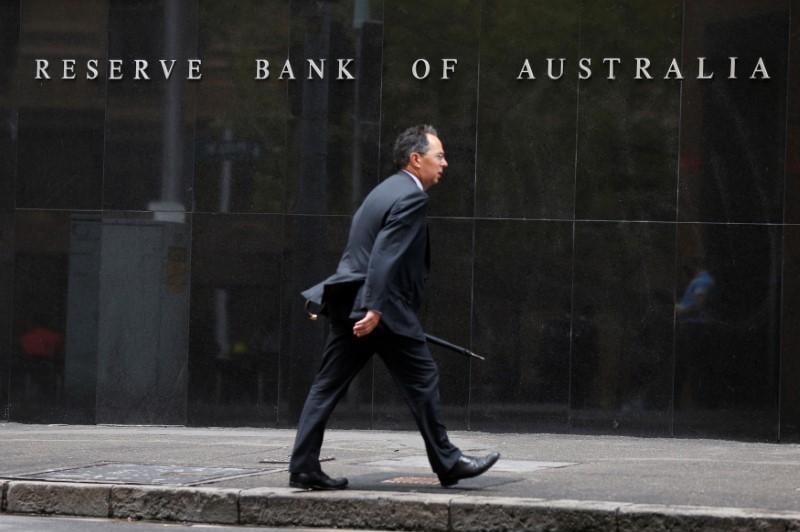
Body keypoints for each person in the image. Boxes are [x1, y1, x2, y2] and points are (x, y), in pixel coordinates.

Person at [289, 124, 499, 490]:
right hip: (382, 311)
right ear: (416, 160)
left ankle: (304, 466)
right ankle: (448, 463)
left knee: (326, 387)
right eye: (439, 156)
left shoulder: (383, 191)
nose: (445, 164)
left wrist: (361, 304)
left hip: (354, 304)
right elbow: (385, 254)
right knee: (423, 379)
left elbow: (359, 250)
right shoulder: (412, 197)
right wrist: (374, 307)